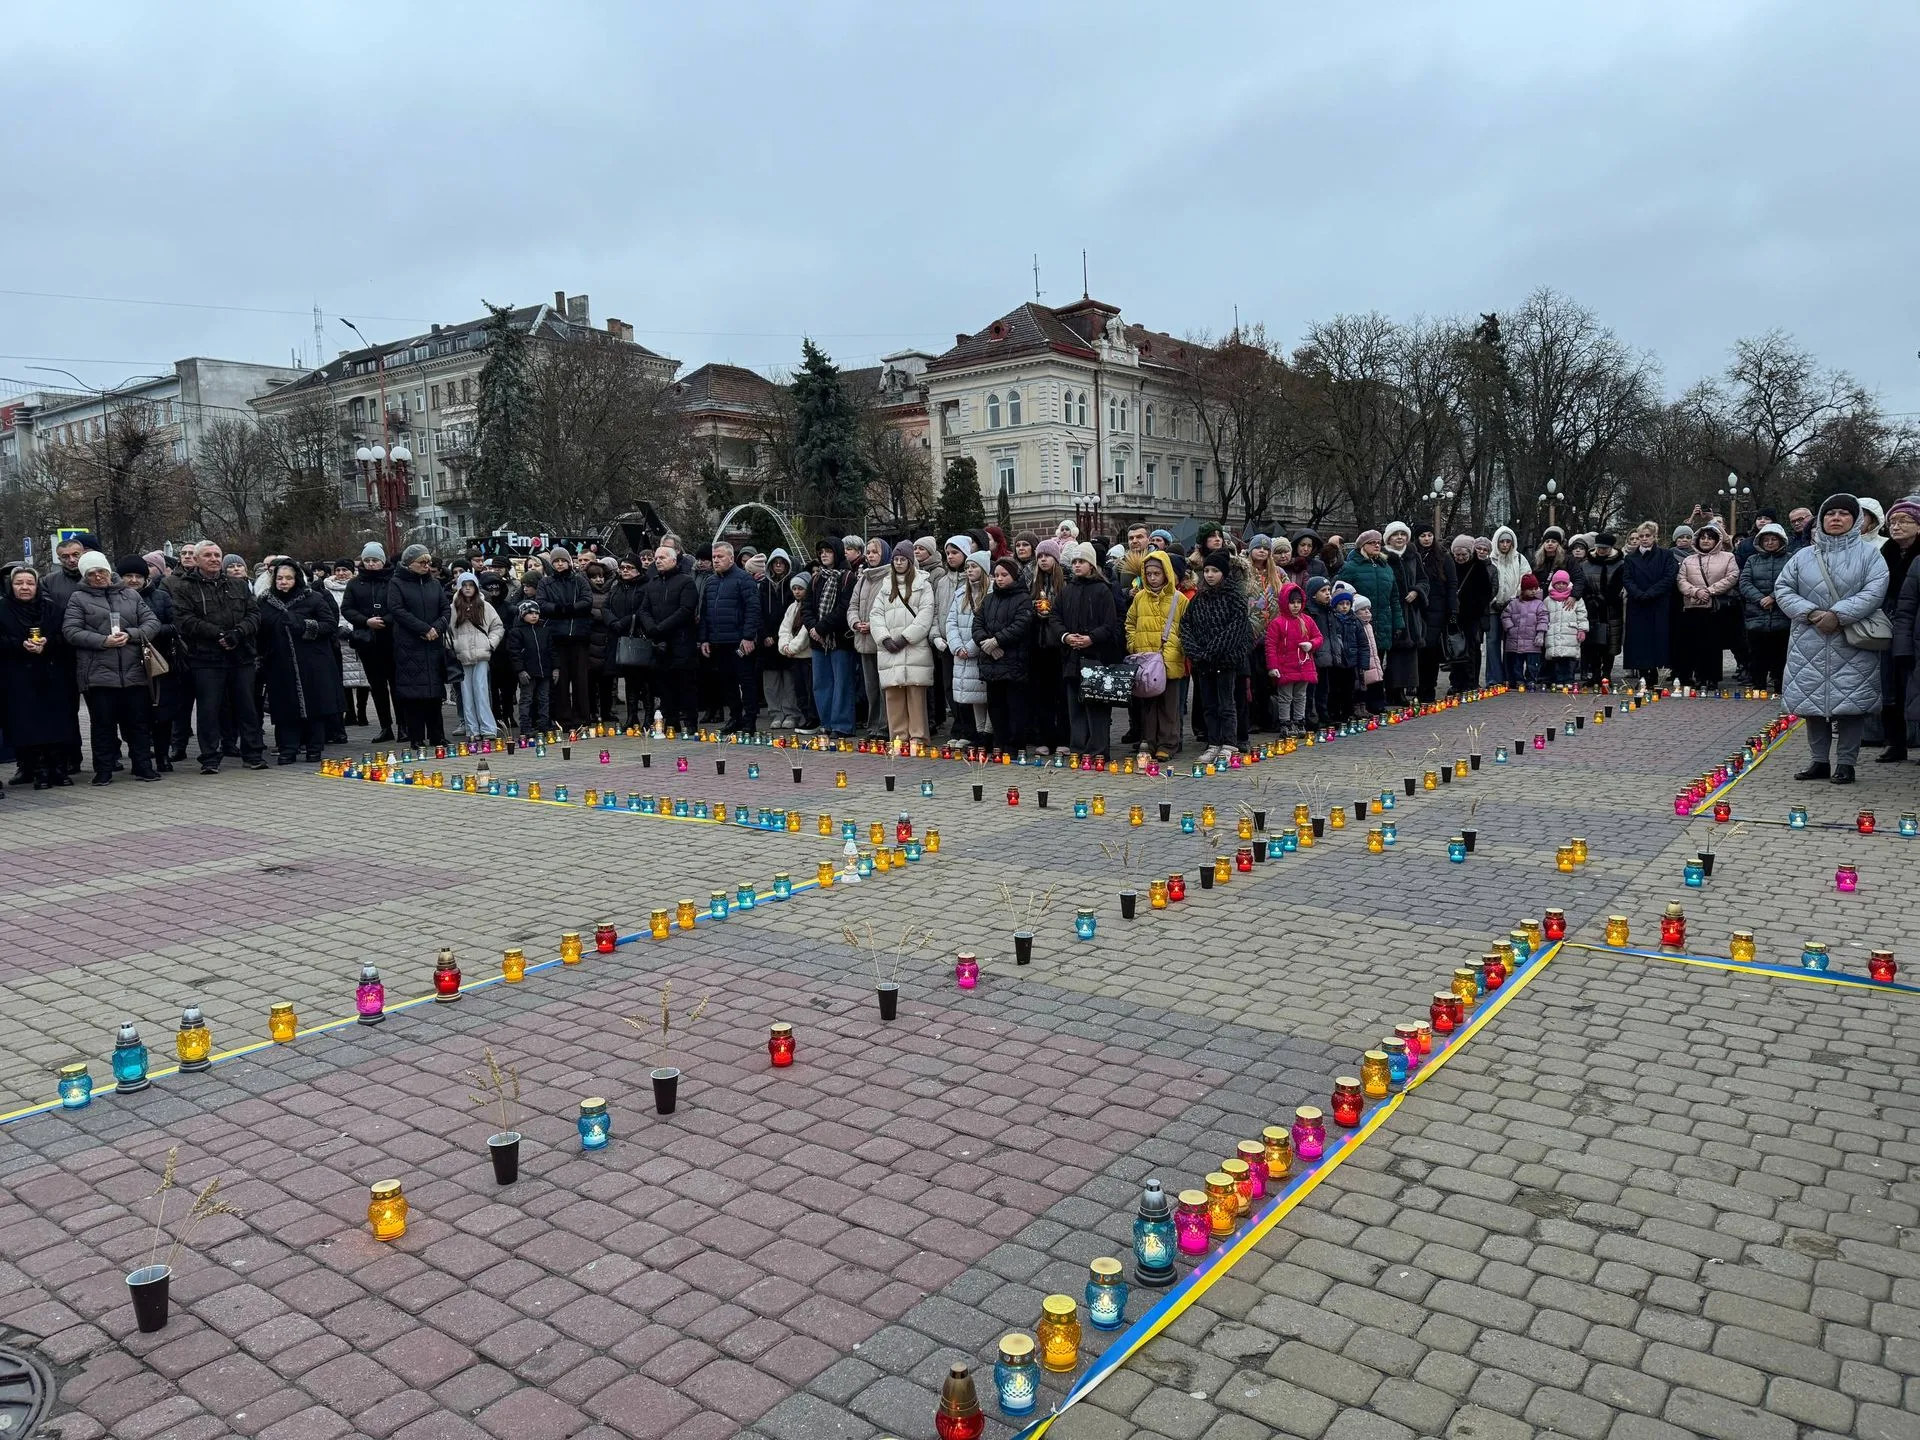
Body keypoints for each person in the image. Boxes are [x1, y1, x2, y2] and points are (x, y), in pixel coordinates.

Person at [1779, 493, 1889, 785]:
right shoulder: (1803, 556)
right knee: (1813, 706)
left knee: (1851, 707)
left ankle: (1846, 764)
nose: (1836, 518)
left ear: (1855, 520)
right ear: (1821, 520)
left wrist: (1838, 615)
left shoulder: (1869, 555)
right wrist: (1813, 614)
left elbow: (1875, 591)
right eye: (1830, 513)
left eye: (1843, 513)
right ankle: (1819, 762)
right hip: (1809, 640)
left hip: (1852, 640)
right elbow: (1784, 589)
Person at [61, 550, 161, 784]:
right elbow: (71, 631)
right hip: (99, 674)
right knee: (103, 725)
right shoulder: (78, 598)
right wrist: (102, 641)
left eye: (102, 571)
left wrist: (131, 634)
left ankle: (143, 766)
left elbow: (152, 622)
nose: (98, 576)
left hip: (134, 671)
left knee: (138, 723)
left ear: (109, 571)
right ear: (85, 575)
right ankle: (103, 770)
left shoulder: (130, 595)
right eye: (92, 573)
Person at [168, 540, 266, 772]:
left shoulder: (238, 585)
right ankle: (210, 757)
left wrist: (238, 633)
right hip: (206, 658)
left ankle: (252, 754)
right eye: (208, 555)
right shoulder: (184, 587)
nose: (213, 559)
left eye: (217, 555)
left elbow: (254, 614)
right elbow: (184, 620)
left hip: (240, 656)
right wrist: (218, 634)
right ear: (198, 559)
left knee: (247, 707)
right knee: (208, 710)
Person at [257, 559, 345, 763]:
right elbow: (259, 630)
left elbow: (329, 624)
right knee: (284, 707)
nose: (283, 582)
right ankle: (288, 748)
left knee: (314, 705)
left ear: (296, 578)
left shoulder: (312, 598)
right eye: (279, 578)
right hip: (279, 662)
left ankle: (314, 747)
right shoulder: (265, 601)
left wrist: (304, 626)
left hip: (312, 662)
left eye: (288, 578)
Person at [1, 567, 75, 788]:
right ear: (10, 586)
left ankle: (58, 768)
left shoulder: (52, 609)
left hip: (51, 675)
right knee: (26, 724)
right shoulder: (3, 610)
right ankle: (35, 769)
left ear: (37, 586)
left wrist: (48, 643)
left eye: (30, 583)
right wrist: (18, 645)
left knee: (56, 723)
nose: (24, 588)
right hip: (17, 677)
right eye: (19, 583)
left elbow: (66, 636)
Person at [1180, 549, 1252, 765]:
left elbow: (1236, 628)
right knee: (1209, 705)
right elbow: (1186, 625)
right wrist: (1195, 652)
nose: (1210, 575)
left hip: (1226, 660)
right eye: (1207, 571)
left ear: (1224, 573)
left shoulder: (1234, 598)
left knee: (1226, 704)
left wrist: (1212, 651)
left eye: (1215, 571)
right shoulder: (1200, 598)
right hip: (1203, 662)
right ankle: (1213, 742)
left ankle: (1229, 743)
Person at [1055, 542, 1121, 759]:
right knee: (1075, 708)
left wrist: (1091, 638)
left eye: (1081, 561)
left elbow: (1110, 624)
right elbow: (1055, 617)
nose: (1076, 565)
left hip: (1096, 657)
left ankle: (1098, 750)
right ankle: (1078, 748)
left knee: (1097, 707)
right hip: (1072, 657)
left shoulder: (1103, 589)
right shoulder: (1067, 590)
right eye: (1074, 561)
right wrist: (1066, 636)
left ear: (1091, 565)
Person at [868, 540, 935, 745]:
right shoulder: (885, 586)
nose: (898, 563)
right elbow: (876, 614)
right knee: (894, 694)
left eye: (902, 559)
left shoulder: (923, 584)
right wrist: (884, 638)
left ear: (910, 562)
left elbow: (926, 615)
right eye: (895, 559)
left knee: (915, 694)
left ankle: (918, 736)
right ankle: (898, 737)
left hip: (913, 647)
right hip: (890, 649)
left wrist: (905, 638)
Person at [387, 544, 451, 747]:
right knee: (413, 694)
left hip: (433, 644)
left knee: (434, 693)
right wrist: (423, 629)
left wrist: (437, 628)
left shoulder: (433, 583)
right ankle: (416, 737)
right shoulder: (397, 583)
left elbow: (445, 609)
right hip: (410, 645)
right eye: (421, 562)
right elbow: (397, 610)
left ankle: (437, 735)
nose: (426, 566)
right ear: (409, 564)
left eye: (428, 562)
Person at [1126, 550, 1187, 762]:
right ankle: (1149, 741)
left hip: (1169, 658)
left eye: (1157, 574)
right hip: (1145, 659)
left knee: (1169, 704)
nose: (1152, 578)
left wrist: (1176, 645)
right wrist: (1133, 644)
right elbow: (1130, 623)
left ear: (1166, 574)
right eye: (1149, 574)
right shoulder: (1140, 598)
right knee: (1148, 704)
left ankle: (1168, 743)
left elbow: (1186, 626)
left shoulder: (1178, 599)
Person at [1872, 498, 1920, 761]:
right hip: (1890, 620)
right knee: (1890, 686)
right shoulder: (1886, 551)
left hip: (1915, 623)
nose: (1897, 526)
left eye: (1904, 521)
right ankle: (1895, 742)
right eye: (1892, 522)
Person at [973, 555, 1034, 755]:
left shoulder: (1023, 599)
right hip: (992, 661)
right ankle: (999, 742)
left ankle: (1015, 745)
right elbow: (978, 623)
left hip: (1014, 661)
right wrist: (986, 643)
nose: (999, 579)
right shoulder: (989, 599)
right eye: (996, 575)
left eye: (1004, 575)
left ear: (1014, 576)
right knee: (996, 706)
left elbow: (1021, 625)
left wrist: (998, 640)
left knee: (1015, 706)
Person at [698, 541, 760, 734]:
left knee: (746, 680)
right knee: (727, 682)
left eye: (720, 557)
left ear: (731, 558)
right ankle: (735, 718)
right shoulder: (710, 582)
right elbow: (705, 612)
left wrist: (748, 636)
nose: (716, 560)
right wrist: (704, 639)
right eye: (714, 557)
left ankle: (749, 720)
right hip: (718, 641)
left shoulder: (744, 579)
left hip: (739, 641)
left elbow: (753, 609)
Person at [639, 543, 699, 734]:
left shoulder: (686, 582)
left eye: (662, 557)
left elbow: (686, 610)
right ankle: (671, 723)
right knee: (665, 686)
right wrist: (651, 628)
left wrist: (661, 628)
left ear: (674, 560)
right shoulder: (653, 583)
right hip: (660, 644)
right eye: (656, 558)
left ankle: (690, 724)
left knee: (686, 685)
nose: (658, 561)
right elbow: (644, 610)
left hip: (681, 642)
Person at [341, 543, 397, 740]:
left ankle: (404, 725)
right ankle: (385, 726)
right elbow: (347, 608)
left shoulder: (393, 580)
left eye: (375, 560)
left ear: (383, 561)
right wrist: (366, 621)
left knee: (397, 685)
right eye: (368, 561)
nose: (371, 564)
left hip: (391, 639)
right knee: (377, 686)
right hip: (367, 641)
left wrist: (386, 620)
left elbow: (400, 605)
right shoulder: (355, 584)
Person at [1674, 522, 1739, 689]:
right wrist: (1696, 592)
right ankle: (1699, 677)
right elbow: (1681, 580)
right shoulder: (1689, 560)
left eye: (1710, 538)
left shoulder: (1728, 557)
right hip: (1693, 607)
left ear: (1716, 541)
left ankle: (1713, 678)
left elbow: (1732, 576)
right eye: (1702, 538)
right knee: (1695, 644)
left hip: (1715, 608)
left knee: (1714, 644)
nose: (1705, 541)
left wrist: (1709, 591)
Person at [536, 548, 593, 727]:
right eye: (556, 561)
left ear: (569, 561)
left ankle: (582, 717)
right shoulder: (546, 583)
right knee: (560, 681)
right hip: (557, 637)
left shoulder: (579, 580)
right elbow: (542, 604)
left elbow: (587, 601)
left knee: (581, 681)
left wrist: (571, 609)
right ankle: (563, 719)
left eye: (563, 560)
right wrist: (559, 609)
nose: (560, 564)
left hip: (578, 637)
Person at [448, 572, 505, 740]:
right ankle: (472, 730)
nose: (467, 588)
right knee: (466, 694)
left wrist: (490, 643)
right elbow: (447, 631)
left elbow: (497, 626)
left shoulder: (485, 606)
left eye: (470, 585)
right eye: (464, 585)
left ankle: (488, 728)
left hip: (481, 653)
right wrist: (454, 646)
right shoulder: (453, 608)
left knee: (481, 691)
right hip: (462, 655)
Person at [1738, 522, 1792, 695]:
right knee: (1757, 653)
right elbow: (1744, 582)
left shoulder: (1790, 559)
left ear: (1781, 540)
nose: (1769, 543)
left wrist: (1774, 597)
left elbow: (1793, 582)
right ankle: (1758, 685)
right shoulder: (1752, 560)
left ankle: (1780, 685)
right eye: (1766, 540)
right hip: (1756, 614)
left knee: (1781, 653)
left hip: (1782, 614)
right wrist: (1760, 599)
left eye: (1773, 539)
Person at [1621, 522, 1677, 687]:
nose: (1644, 539)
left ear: (1654, 537)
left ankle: (1655, 673)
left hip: (1658, 603)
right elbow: (1627, 579)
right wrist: (1639, 593)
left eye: (1648, 536)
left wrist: (1651, 593)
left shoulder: (1665, 555)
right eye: (1641, 536)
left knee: (1657, 639)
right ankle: (1643, 675)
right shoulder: (1631, 558)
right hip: (1638, 604)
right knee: (1639, 640)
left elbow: (1669, 577)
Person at [1264, 582, 1322, 738]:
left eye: (1298, 602)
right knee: (1285, 696)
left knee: (1301, 695)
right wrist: (1273, 666)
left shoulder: (1307, 620)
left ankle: (1299, 720)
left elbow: (1318, 637)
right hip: (1285, 667)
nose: (1295, 606)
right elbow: (1270, 646)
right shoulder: (1278, 623)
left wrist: (1311, 645)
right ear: (1285, 603)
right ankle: (1285, 722)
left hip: (1303, 665)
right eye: (1292, 602)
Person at [1027, 539, 1069, 754]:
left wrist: (1054, 612)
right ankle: (1044, 738)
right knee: (1042, 695)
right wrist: (1034, 611)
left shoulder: (1065, 582)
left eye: (1047, 556)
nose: (1043, 560)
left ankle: (1063, 738)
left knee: (1061, 694)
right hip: (1039, 644)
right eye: (1040, 557)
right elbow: (1024, 611)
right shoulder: (1034, 583)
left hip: (1060, 645)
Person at [945, 551, 992, 745]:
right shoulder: (960, 594)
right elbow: (951, 621)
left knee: (986, 695)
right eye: (968, 567)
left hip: (980, 651)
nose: (970, 570)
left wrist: (971, 648)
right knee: (973, 697)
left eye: (974, 567)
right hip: (962, 652)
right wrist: (956, 646)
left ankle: (988, 733)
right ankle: (977, 733)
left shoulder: (990, 594)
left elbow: (988, 624)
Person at [1409, 523, 1457, 702]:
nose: (1427, 539)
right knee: (1419, 650)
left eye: (1429, 535)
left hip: (1437, 608)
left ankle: (1428, 687)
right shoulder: (1413, 556)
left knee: (1431, 650)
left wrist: (1452, 609)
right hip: (1418, 607)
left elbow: (1452, 584)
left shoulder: (1443, 557)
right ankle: (1417, 685)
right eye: (1423, 536)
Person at [847, 537, 889, 738]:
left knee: (884, 688)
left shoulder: (889, 577)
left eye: (875, 552)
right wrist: (855, 623)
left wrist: (874, 625)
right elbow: (853, 605)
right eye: (869, 552)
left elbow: (891, 609)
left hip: (882, 641)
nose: (871, 556)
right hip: (863, 640)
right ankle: (873, 726)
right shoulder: (863, 578)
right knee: (871, 688)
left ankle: (884, 726)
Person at [1579, 534, 1625, 685]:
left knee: (1610, 643)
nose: (1601, 551)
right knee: (1592, 643)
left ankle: (1607, 673)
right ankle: (1595, 674)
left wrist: (1608, 599)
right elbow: (1582, 584)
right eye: (1599, 548)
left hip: (1612, 608)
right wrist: (1591, 599)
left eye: (1604, 548)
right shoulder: (1586, 565)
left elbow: (1619, 585)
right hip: (1592, 608)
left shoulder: (1620, 564)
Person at [1485, 527, 1528, 685]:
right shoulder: (1489, 560)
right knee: (1492, 642)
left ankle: (1511, 677)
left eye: (1508, 541)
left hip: (1513, 607)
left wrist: (1513, 599)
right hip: (1493, 608)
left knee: (1511, 643)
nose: (1504, 545)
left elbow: (1525, 580)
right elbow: (1485, 584)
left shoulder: (1519, 559)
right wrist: (1493, 601)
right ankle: (1494, 679)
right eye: (1501, 541)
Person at [1450, 536, 1492, 693]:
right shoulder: (1451, 566)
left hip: (1472, 615)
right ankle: (1456, 682)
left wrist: (1477, 608)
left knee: (1471, 647)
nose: (1460, 558)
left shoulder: (1478, 567)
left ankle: (1470, 681)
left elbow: (1486, 591)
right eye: (1457, 555)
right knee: (1455, 648)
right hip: (1455, 614)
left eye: (1464, 555)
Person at [771, 571, 813, 730]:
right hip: (794, 655)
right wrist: (784, 647)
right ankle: (805, 716)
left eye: (800, 588)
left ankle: (811, 717)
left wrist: (793, 647)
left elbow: (805, 631)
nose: (797, 591)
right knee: (799, 689)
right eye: (794, 588)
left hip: (806, 654)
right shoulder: (792, 607)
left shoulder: (810, 606)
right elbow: (784, 628)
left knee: (809, 690)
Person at [506, 599, 554, 734]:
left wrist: (555, 668)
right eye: (530, 613)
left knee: (544, 698)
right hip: (527, 672)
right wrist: (520, 670)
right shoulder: (516, 632)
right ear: (522, 615)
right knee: (526, 699)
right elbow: (514, 654)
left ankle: (544, 725)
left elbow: (551, 650)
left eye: (536, 613)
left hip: (544, 671)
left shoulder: (544, 630)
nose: (534, 616)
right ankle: (525, 727)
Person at [1323, 584, 1364, 722]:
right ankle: (1335, 712)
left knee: (1349, 689)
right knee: (1334, 689)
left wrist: (1363, 662)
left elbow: (1363, 642)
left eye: (1347, 603)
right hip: (1337, 661)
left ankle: (1348, 712)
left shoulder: (1355, 621)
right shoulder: (1332, 620)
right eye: (1341, 604)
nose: (1345, 607)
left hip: (1351, 661)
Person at [1541, 571, 1588, 686]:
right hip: (1554, 634)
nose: (1561, 585)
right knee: (1556, 660)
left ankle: (1569, 680)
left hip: (1571, 634)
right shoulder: (1548, 600)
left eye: (1563, 583)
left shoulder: (1576, 599)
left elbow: (1582, 615)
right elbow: (1543, 616)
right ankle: (1558, 680)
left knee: (1570, 660)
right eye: (1558, 583)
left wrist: (1582, 630)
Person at [1500, 573, 1548, 684]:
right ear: (1523, 589)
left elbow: (1543, 619)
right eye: (1530, 589)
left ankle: (1531, 680)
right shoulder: (1514, 603)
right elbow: (1505, 616)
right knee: (1517, 663)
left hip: (1532, 642)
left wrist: (1540, 634)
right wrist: (1510, 628)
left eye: (1535, 589)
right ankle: (1518, 680)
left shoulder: (1539, 604)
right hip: (1515, 641)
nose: (1533, 591)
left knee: (1533, 664)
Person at [1350, 594, 1386, 713]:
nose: (1367, 612)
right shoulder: (1357, 625)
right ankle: (1363, 706)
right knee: (1362, 684)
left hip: (1373, 661)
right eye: (1362, 610)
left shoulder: (1369, 626)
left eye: (1368, 609)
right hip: (1365, 661)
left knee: (1374, 682)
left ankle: (1374, 704)